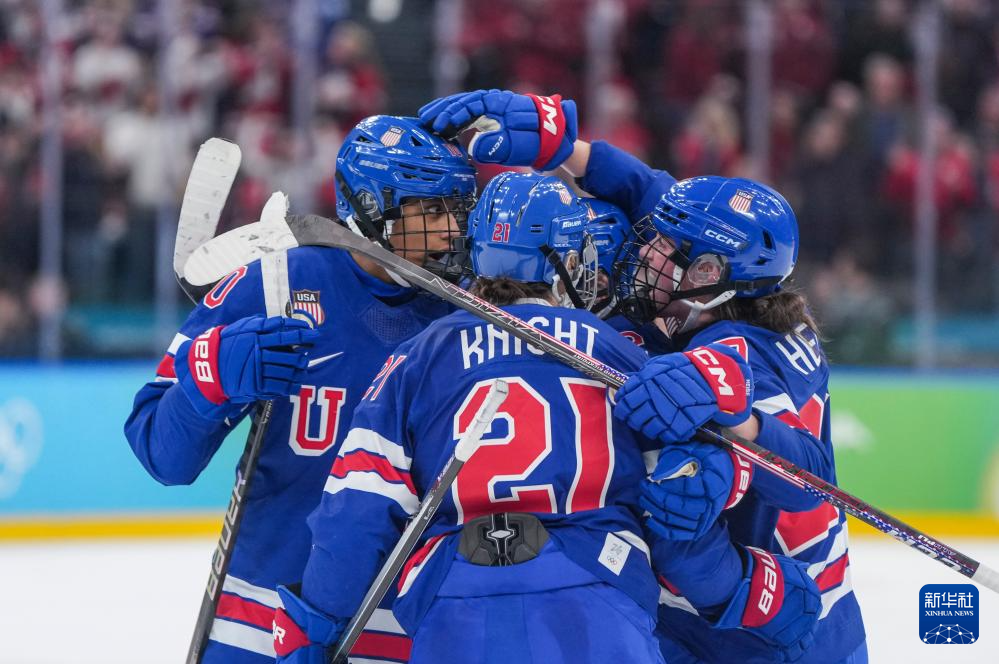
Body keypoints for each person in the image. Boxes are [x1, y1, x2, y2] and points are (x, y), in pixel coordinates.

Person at [419, 90, 866, 663]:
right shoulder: (737, 293)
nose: (644, 248)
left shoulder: (740, 350)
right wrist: (567, 150)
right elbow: (651, 192)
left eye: (664, 246)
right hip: (727, 614)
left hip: (777, 620)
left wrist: (743, 424)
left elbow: (809, 479)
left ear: (709, 272)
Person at [272, 172, 666, 664]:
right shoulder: (614, 350)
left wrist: (316, 624)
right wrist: (721, 589)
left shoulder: (419, 356)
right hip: (598, 591)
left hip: (457, 599)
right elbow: (676, 491)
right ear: (566, 260)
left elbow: (358, 509)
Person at [124, 115, 477, 664]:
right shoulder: (272, 285)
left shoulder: (471, 314)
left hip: (411, 629)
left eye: (459, 210)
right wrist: (212, 380)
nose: (453, 230)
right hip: (259, 624)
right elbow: (160, 453)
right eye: (433, 211)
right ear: (374, 206)